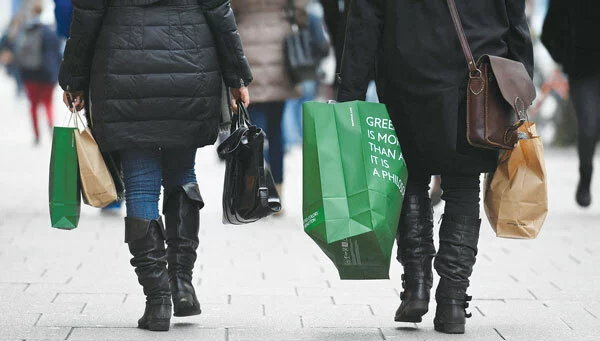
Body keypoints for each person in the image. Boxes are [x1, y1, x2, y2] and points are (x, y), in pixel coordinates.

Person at [337, 0, 533, 334]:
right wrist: (519, 82)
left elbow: (366, 17)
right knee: (464, 183)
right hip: (477, 73)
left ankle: (415, 285)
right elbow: (515, 16)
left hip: (407, 69)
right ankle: (453, 302)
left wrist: (350, 91)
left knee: (410, 177)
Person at [59, 0, 252, 332]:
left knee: (140, 184)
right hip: (190, 69)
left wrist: (72, 79)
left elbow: (86, 17)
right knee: (182, 174)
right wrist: (237, 77)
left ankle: (158, 299)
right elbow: (220, 13)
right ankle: (182, 284)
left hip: (123, 73)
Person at [233, 0, 309, 205]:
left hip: (246, 44)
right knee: (276, 130)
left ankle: (259, 187)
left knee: (254, 130)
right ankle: (278, 190)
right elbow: (302, 8)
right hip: (279, 46)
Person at [542, 0, 600, 207]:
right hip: (582, 73)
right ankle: (586, 176)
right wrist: (566, 58)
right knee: (588, 128)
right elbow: (547, 34)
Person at [17, 3, 61, 145]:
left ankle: (36, 135)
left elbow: (18, 51)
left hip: (30, 74)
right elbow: (58, 55)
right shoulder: (51, 31)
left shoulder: (27, 30)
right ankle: (50, 125)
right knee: (48, 104)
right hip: (48, 75)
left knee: (34, 105)